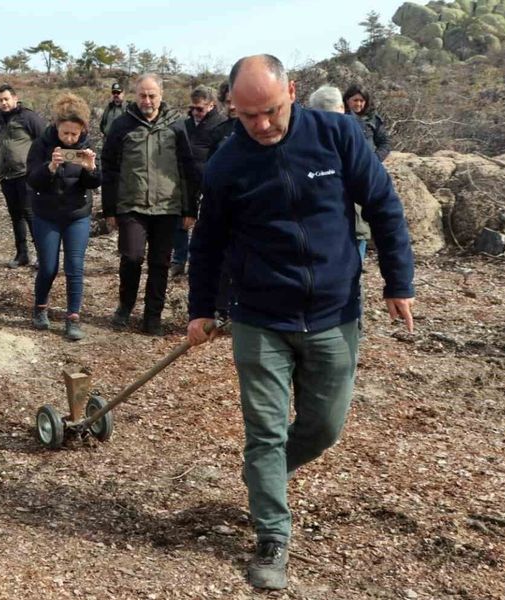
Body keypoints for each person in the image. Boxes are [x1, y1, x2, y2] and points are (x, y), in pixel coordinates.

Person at [187, 55, 415, 590]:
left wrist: (398, 281)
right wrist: (201, 308)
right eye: (248, 116)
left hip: (334, 311)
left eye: (270, 110)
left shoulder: (338, 135)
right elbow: (208, 243)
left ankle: (264, 475)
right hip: (260, 316)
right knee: (265, 432)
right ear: (231, 108)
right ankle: (272, 535)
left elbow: (383, 205)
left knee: (324, 426)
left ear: (292, 90)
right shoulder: (227, 162)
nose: (262, 125)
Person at [101, 73, 192, 335]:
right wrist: (109, 209)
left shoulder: (176, 125)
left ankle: (153, 317)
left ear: (161, 96)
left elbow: (186, 168)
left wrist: (189, 209)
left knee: (160, 264)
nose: (147, 100)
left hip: (167, 206)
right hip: (132, 205)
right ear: (135, 95)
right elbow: (109, 168)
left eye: (152, 95)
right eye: (142, 95)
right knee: (131, 257)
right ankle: (125, 306)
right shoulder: (122, 125)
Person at [25, 93, 101, 341]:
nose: (69, 138)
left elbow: (94, 183)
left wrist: (91, 169)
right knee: (48, 267)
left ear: (83, 130)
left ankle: (73, 318)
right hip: (46, 214)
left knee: (75, 267)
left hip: (77, 214)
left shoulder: (86, 147)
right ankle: (40, 307)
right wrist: (50, 167)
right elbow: (32, 180)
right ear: (56, 126)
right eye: (65, 133)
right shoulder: (41, 145)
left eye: (74, 134)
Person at [170, 85, 222, 278]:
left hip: (209, 182)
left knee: (205, 224)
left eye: (199, 109)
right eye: (192, 108)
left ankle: (199, 261)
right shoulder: (184, 124)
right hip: (185, 180)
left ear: (211, 105)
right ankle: (179, 260)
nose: (195, 113)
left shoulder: (220, 125)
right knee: (181, 221)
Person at [0, 84, 46, 268]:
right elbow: (0, 146)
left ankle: (42, 255)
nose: (4, 103)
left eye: (6, 99)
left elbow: (43, 141)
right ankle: (22, 254)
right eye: (0, 100)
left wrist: (40, 168)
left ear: (15, 98)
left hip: (26, 174)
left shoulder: (28, 117)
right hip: (7, 176)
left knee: (31, 214)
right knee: (15, 215)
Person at [344, 84, 389, 260]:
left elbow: (385, 143)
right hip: (342, 175)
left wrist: (374, 161)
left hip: (365, 176)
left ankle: (358, 262)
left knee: (362, 226)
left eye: (362, 101)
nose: (358, 104)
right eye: (355, 100)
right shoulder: (338, 117)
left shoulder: (373, 120)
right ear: (347, 100)